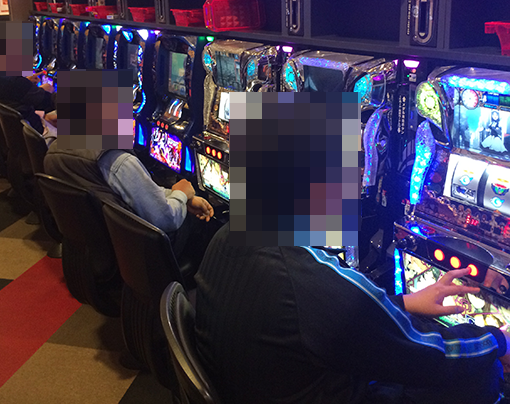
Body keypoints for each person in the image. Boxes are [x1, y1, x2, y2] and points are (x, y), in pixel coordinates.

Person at [195, 222, 510, 404]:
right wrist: (498, 341)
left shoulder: (228, 233)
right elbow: (429, 357)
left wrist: (405, 303)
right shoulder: (306, 276)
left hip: (260, 386)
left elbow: (336, 318)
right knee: (482, 376)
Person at [44, 142, 217, 261]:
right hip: (132, 252)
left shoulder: (55, 149)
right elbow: (166, 220)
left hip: (91, 248)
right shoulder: (118, 161)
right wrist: (182, 195)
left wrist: (176, 194)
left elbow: (137, 190)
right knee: (203, 221)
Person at [0, 72, 57, 141]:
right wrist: (46, 90)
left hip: (3, 135)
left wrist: (27, 83)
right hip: (33, 136)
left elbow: (8, 91)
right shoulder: (15, 82)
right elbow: (47, 102)